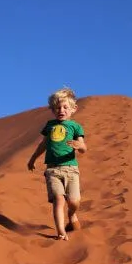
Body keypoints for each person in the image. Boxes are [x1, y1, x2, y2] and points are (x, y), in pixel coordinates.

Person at [27, 87, 87, 240]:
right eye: (58, 107)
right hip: (52, 171)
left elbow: (83, 148)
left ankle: (72, 215)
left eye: (65, 107)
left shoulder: (75, 126)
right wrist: (33, 158)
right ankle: (61, 231)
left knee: (74, 201)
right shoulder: (50, 125)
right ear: (53, 110)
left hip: (71, 169)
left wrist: (79, 146)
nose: (61, 110)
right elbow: (43, 144)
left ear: (73, 109)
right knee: (59, 200)